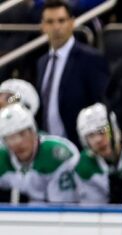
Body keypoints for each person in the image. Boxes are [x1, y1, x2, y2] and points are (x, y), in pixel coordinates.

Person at [36, 0, 110, 148]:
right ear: (43, 26)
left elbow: (102, 105)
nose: (56, 27)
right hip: (48, 149)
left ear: (72, 23)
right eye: (50, 22)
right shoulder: (42, 62)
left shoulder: (90, 59)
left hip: (81, 149)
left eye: (61, 21)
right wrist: (13, 98)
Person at [0, 102, 79, 202]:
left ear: (33, 131)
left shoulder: (55, 154)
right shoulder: (2, 157)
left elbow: (62, 208)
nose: (17, 143)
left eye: (22, 133)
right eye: (9, 137)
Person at [73, 103, 122, 204]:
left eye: (102, 131)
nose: (98, 140)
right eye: (90, 135)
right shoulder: (84, 164)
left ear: (115, 129)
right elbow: (93, 211)